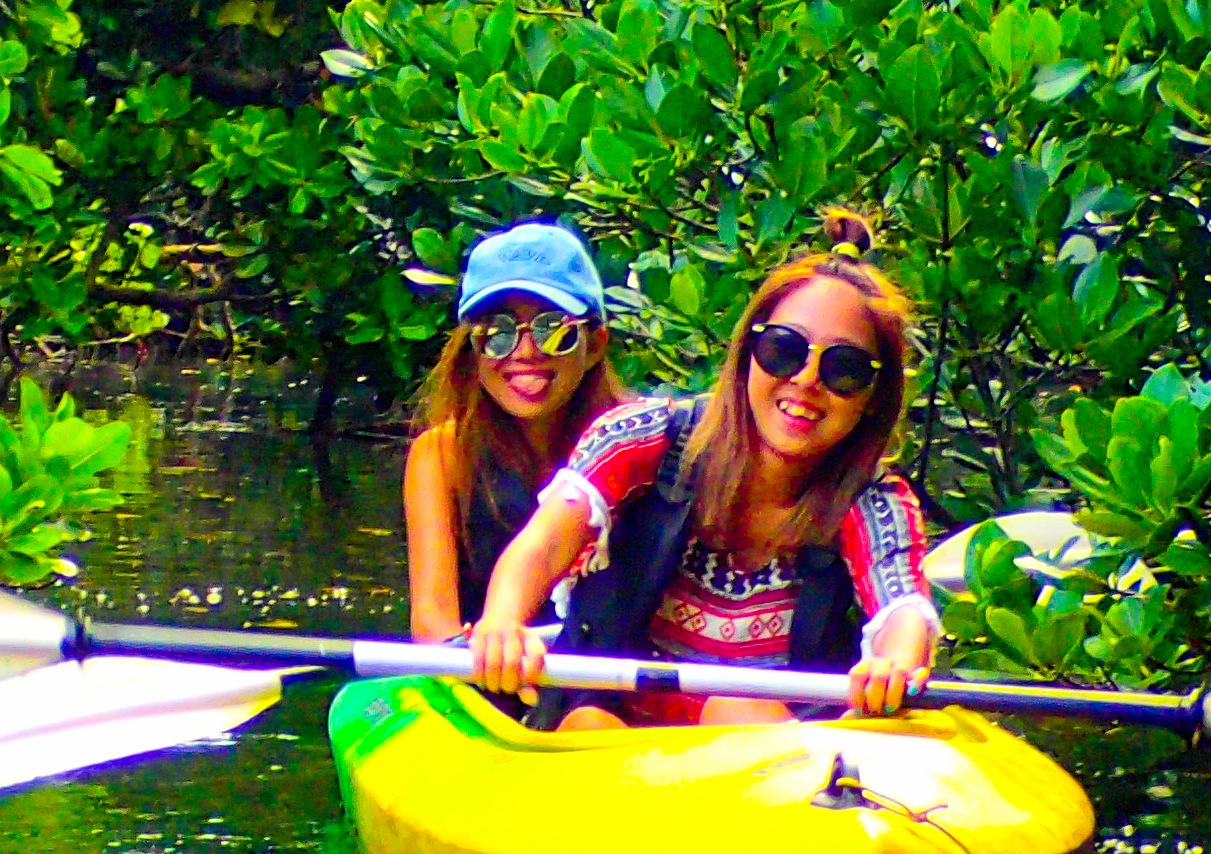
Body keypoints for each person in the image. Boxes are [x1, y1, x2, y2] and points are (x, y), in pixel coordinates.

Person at [466, 247, 939, 726]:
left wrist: (894, 663)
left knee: (738, 712)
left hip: (767, 763)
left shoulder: (876, 499)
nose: (805, 380)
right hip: (611, 738)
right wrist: (504, 622)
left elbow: (902, 609)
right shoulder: (644, 435)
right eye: (783, 350)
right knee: (591, 721)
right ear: (746, 356)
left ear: (873, 398)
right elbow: (544, 544)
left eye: (844, 369)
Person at [399, 220, 620, 641]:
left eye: (553, 331)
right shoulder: (441, 455)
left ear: (594, 345)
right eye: (497, 333)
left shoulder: (633, 443)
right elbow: (432, 622)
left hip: (599, 683)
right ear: (474, 349)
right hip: (480, 674)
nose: (524, 353)